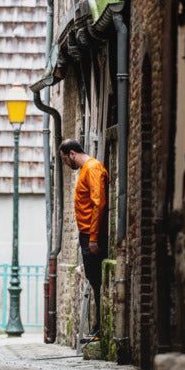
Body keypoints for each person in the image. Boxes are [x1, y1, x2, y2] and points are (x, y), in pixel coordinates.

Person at [59, 138, 109, 339]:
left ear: (72, 153)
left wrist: (94, 238)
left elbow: (99, 203)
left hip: (92, 234)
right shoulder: (85, 170)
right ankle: (97, 327)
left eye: (64, 159)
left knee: (97, 281)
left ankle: (99, 329)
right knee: (94, 279)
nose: (65, 164)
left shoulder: (93, 168)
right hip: (87, 233)